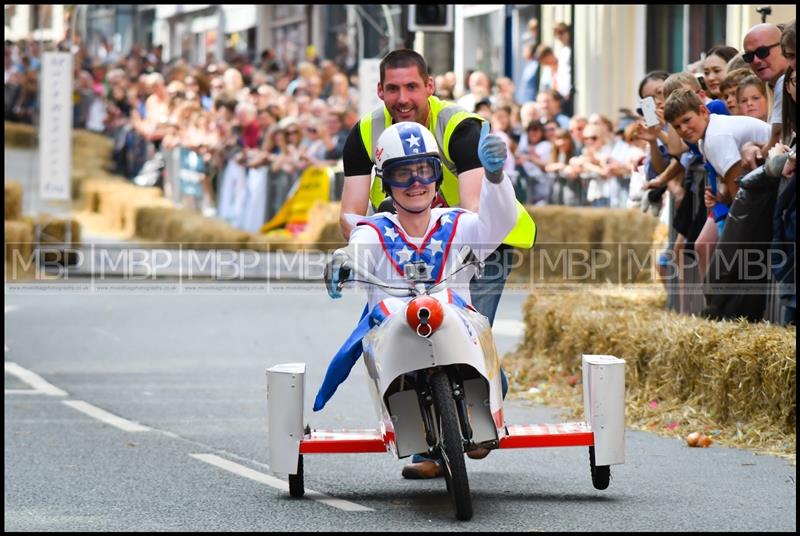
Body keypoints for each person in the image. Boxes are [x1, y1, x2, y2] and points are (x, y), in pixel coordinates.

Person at [338, 48, 535, 479]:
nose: (403, 96)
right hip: (404, 240)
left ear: (430, 86)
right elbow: (352, 210)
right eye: (393, 88)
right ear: (380, 90)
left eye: (412, 86)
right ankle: (429, 438)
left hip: (473, 241)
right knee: (398, 331)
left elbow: (476, 214)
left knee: (465, 326)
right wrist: (359, 248)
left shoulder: (460, 129)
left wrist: (445, 243)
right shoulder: (365, 133)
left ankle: (482, 404)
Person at [319, 121, 516, 478]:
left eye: (424, 172)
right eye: (402, 174)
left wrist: (497, 178)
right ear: (386, 182)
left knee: (472, 321)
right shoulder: (374, 229)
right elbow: (358, 250)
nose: (415, 185)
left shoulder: (459, 223)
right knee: (391, 323)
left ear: (438, 177)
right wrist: (344, 260)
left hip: (457, 327)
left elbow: (499, 224)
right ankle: (415, 430)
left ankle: (481, 412)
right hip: (397, 337)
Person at [738, 22, 790, 169]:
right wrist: (751, 146)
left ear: (783, 47)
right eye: (749, 56)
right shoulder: (772, 84)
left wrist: (755, 153)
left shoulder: (783, 81)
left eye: (762, 52)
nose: (756, 60)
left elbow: (777, 139)